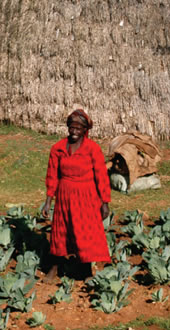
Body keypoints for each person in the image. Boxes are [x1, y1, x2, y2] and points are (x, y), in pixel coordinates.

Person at [41, 109, 111, 281]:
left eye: (78, 128)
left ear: (85, 130)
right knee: (60, 231)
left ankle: (86, 270)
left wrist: (105, 202)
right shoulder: (58, 149)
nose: (74, 132)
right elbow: (52, 175)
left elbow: (101, 176)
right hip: (64, 196)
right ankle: (55, 267)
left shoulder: (92, 149)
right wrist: (48, 200)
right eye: (71, 128)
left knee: (84, 232)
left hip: (86, 197)